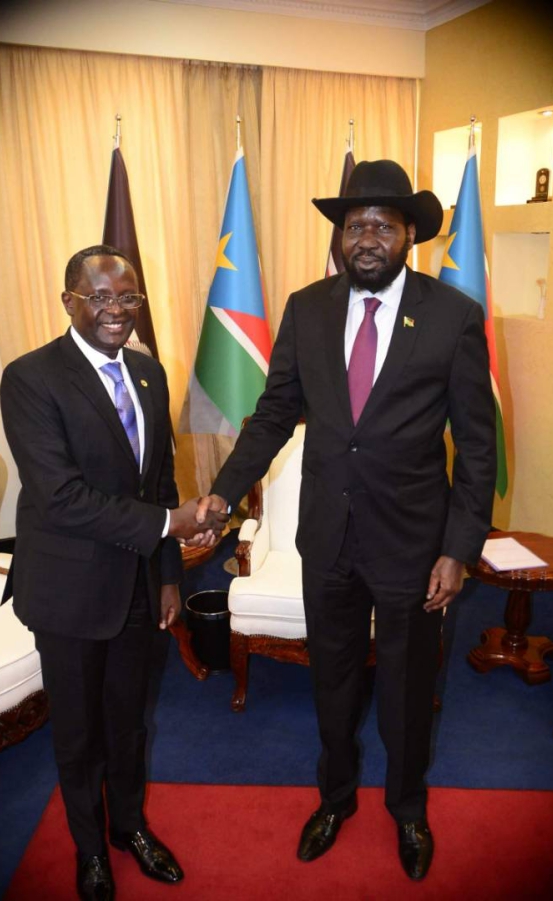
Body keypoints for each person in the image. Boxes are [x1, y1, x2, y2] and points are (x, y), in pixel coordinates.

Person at [198, 161, 496, 880]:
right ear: (339, 235)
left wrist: (458, 549)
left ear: (410, 236)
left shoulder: (454, 317)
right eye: (353, 224)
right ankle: (334, 796)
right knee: (332, 678)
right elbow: (273, 414)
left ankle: (408, 806)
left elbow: (478, 449)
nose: (366, 237)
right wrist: (222, 492)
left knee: (404, 684)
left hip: (412, 545)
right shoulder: (306, 308)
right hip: (326, 540)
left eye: (383, 225)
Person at [0, 245, 228, 900]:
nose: (116, 310)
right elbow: (61, 496)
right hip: (68, 595)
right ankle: (89, 848)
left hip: (135, 588)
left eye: (127, 298)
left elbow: (159, 482)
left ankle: (130, 827)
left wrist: (166, 576)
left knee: (129, 721)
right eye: (100, 296)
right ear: (68, 298)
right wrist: (169, 526)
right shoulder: (30, 378)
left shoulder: (151, 375)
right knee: (78, 734)